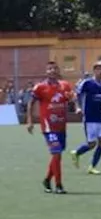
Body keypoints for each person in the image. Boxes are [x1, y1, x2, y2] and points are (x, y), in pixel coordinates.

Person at [28, 61, 76, 194]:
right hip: (48, 126)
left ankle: (47, 180)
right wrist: (30, 121)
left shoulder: (65, 85)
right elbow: (31, 103)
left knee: (57, 155)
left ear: (58, 70)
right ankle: (59, 185)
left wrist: (75, 105)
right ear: (46, 71)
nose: (52, 71)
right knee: (56, 153)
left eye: (55, 68)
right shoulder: (40, 87)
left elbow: (71, 99)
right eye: (50, 69)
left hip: (61, 125)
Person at [72, 61, 101, 174]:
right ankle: (76, 153)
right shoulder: (87, 83)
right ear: (94, 70)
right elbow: (76, 95)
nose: (100, 71)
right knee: (92, 144)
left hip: (100, 118)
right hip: (89, 118)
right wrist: (77, 107)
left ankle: (92, 166)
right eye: (98, 69)